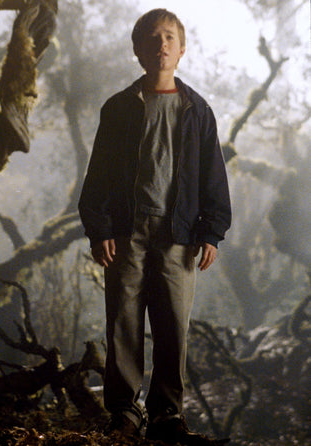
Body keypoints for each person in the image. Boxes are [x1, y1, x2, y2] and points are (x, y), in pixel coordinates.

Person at [78, 8, 232, 445]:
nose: (161, 44)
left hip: (178, 234)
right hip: (125, 232)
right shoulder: (119, 108)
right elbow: (98, 175)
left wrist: (210, 232)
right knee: (123, 322)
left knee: (173, 325)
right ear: (138, 50)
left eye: (169, 37)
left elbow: (213, 176)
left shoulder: (198, 111)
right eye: (152, 37)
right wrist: (99, 229)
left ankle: (167, 415)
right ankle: (125, 413)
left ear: (181, 50)